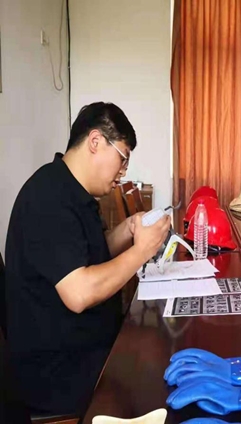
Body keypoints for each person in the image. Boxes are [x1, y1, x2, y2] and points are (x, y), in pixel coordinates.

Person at [4, 102, 171, 415]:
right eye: (122, 158)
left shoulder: (74, 192)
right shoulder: (48, 197)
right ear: (95, 141)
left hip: (85, 347)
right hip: (58, 372)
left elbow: (87, 254)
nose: (123, 171)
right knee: (158, 372)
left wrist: (127, 229)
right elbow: (79, 293)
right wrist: (141, 251)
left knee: (163, 347)